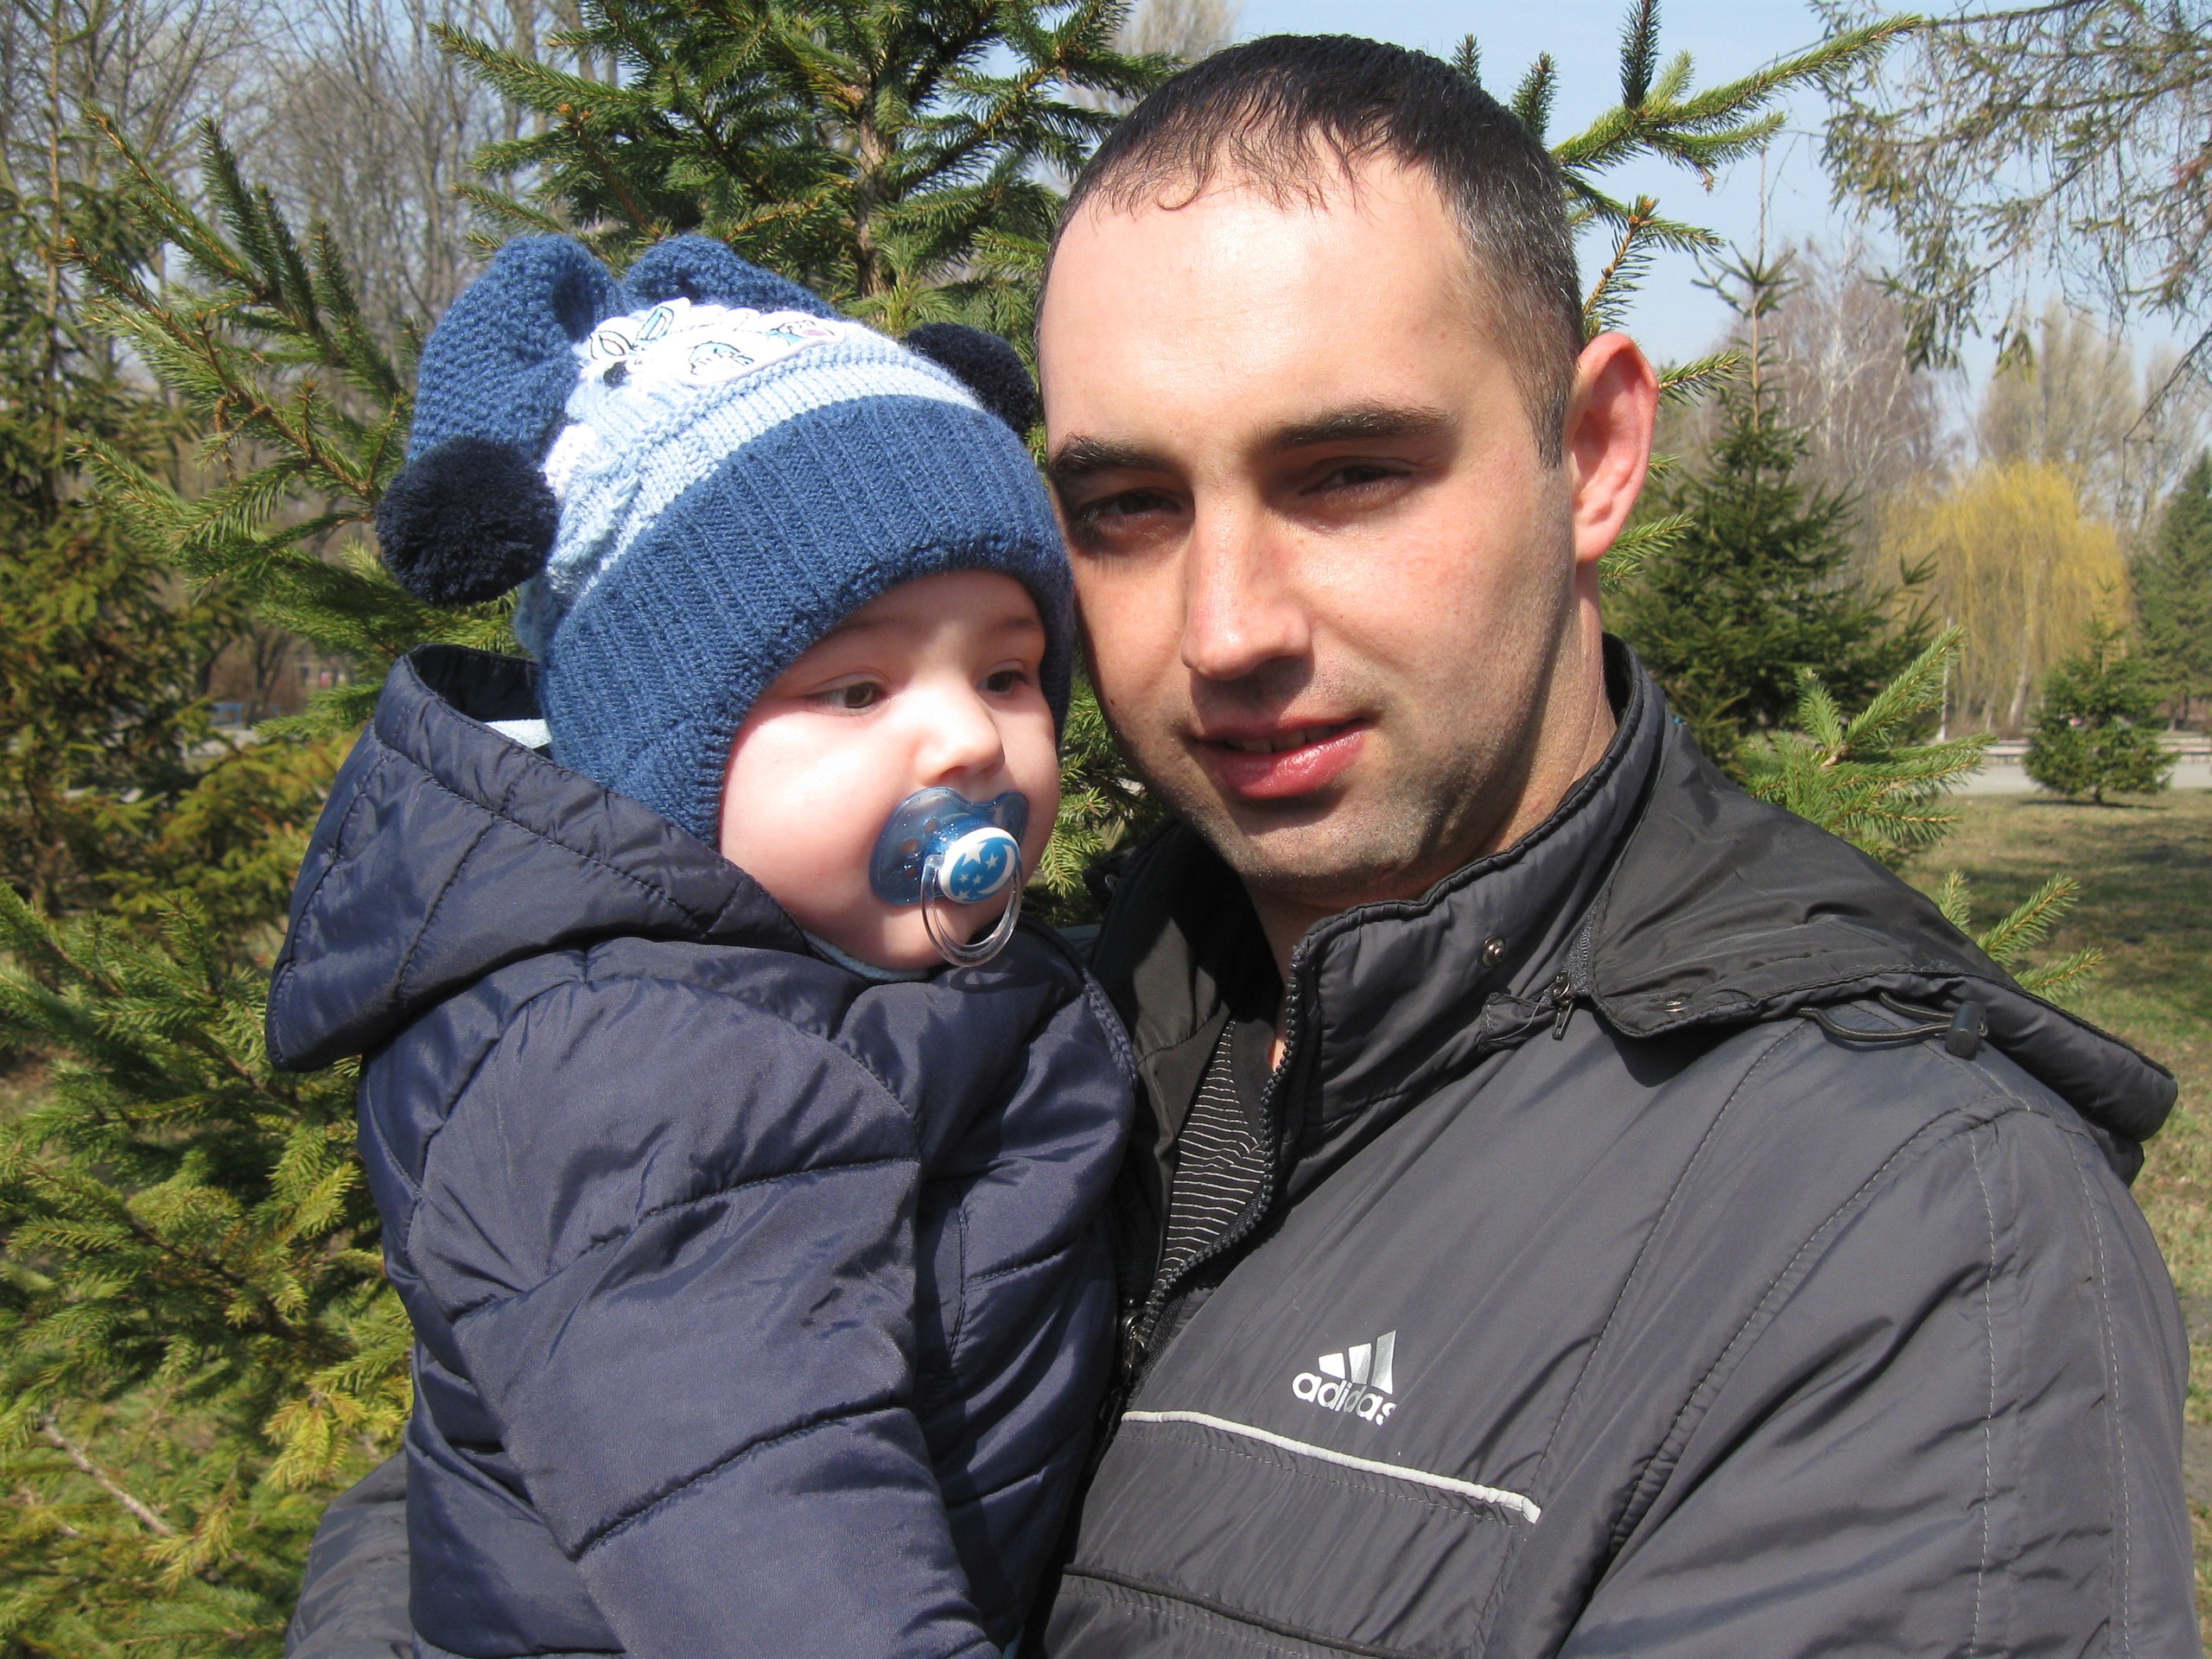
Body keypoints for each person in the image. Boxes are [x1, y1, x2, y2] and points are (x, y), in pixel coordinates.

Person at [285, 35, 2199, 1659]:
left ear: (1593, 451)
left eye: (1345, 474)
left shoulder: (1900, 1249)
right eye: (1124, 506)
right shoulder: (1017, 1011)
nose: (1224, 630)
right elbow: (527, 1473)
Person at [264, 233, 1132, 1659]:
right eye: (854, 690)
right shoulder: (636, 1081)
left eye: (1008, 671)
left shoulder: (880, 977)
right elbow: (774, 1562)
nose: (967, 737)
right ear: (658, 754)